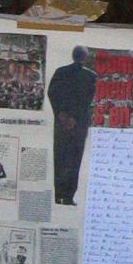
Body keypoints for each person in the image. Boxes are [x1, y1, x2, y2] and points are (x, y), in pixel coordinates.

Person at [47, 44, 96, 205]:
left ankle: (58, 195)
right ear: (85, 58)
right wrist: (74, 118)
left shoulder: (60, 72)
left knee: (60, 157)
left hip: (61, 123)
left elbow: (52, 93)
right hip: (79, 124)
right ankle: (68, 196)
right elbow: (88, 101)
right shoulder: (90, 76)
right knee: (75, 159)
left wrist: (61, 114)